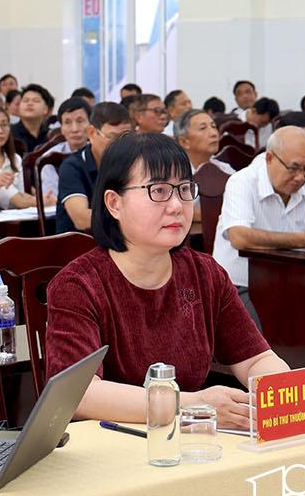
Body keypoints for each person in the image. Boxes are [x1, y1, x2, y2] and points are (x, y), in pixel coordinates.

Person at [45, 133, 289, 429]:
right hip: (111, 443)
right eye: (158, 190)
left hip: (190, 441)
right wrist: (191, 405)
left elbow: (255, 359)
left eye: (184, 189)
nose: (177, 205)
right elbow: (80, 395)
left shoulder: (204, 273)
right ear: (114, 203)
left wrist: (284, 396)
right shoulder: (79, 285)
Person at [213, 127, 305, 309]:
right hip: (240, 285)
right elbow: (239, 237)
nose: (300, 177)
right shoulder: (242, 181)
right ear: (270, 158)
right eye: (293, 168)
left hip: (293, 283)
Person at [55, 102, 132, 234]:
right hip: (80, 243)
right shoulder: (72, 167)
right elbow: (81, 219)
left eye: (126, 138)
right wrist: (133, 218)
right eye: (112, 138)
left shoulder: (132, 163)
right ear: (91, 132)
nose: (121, 145)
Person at [174, 109, 232, 175]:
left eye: (213, 126)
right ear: (184, 142)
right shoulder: (174, 175)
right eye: (203, 128)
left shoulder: (226, 169)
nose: (214, 133)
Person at [10, 84, 55, 151]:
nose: (30, 103)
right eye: (25, 100)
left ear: (45, 109)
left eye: (36, 101)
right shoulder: (9, 134)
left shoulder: (52, 136)